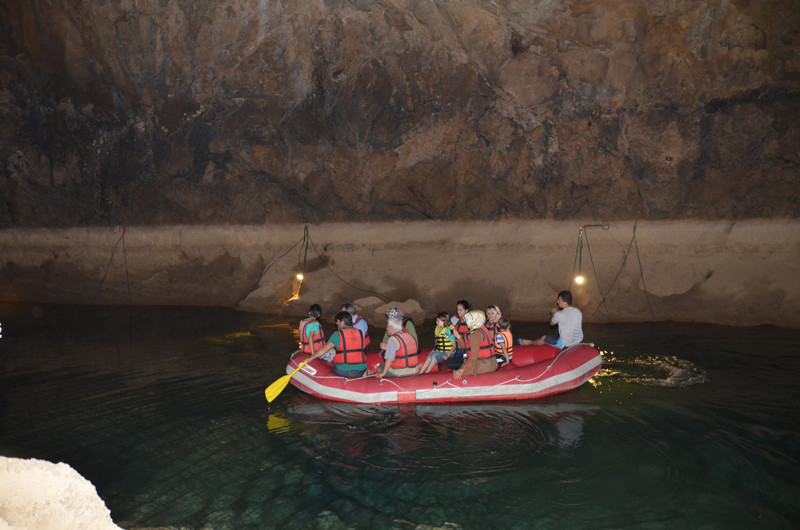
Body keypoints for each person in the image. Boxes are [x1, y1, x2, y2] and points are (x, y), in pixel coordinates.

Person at [307, 311, 367, 377]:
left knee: (329, 357)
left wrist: (312, 357)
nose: (336, 323)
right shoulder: (360, 333)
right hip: (361, 370)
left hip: (344, 371)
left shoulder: (338, 334)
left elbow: (325, 349)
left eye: (337, 322)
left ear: (343, 322)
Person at [518, 290, 584, 348]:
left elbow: (551, 323)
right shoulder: (578, 312)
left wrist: (553, 313)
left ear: (564, 302)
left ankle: (529, 343)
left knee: (544, 338)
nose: (557, 302)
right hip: (580, 340)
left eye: (559, 300)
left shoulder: (559, 314)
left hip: (566, 344)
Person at [454, 310, 498, 379]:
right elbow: (464, 347)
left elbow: (474, 355)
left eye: (469, 319)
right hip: (490, 362)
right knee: (455, 364)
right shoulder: (481, 328)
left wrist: (462, 370)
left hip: (484, 364)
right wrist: (458, 337)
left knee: (456, 373)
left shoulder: (476, 334)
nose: (466, 321)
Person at [446, 300, 471, 370]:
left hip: (467, 346)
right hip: (457, 345)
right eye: (457, 310)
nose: (458, 312)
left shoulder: (472, 321)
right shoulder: (454, 319)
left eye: (460, 310)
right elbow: (449, 332)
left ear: (466, 310)